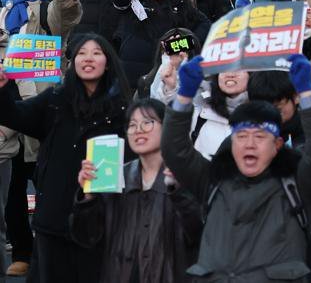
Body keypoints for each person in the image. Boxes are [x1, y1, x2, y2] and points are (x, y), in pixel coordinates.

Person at [162, 53, 311, 281]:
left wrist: (307, 92)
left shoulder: (298, 183)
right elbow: (174, 150)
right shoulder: (213, 181)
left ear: (277, 144)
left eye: (259, 136)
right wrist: (184, 95)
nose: (250, 144)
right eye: (242, 136)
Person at [0, 35, 129, 282]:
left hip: (101, 222)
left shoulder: (122, 110)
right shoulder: (55, 100)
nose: (88, 58)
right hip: (53, 220)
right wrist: (4, 89)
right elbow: (15, 115)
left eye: (96, 53)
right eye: (81, 53)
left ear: (109, 62)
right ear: (72, 62)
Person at [69, 97, 203, 283]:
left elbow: (200, 233)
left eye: (147, 123)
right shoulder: (115, 176)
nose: (138, 130)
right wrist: (88, 197)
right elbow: (87, 237)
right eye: (132, 125)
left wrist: (178, 192)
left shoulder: (186, 174)